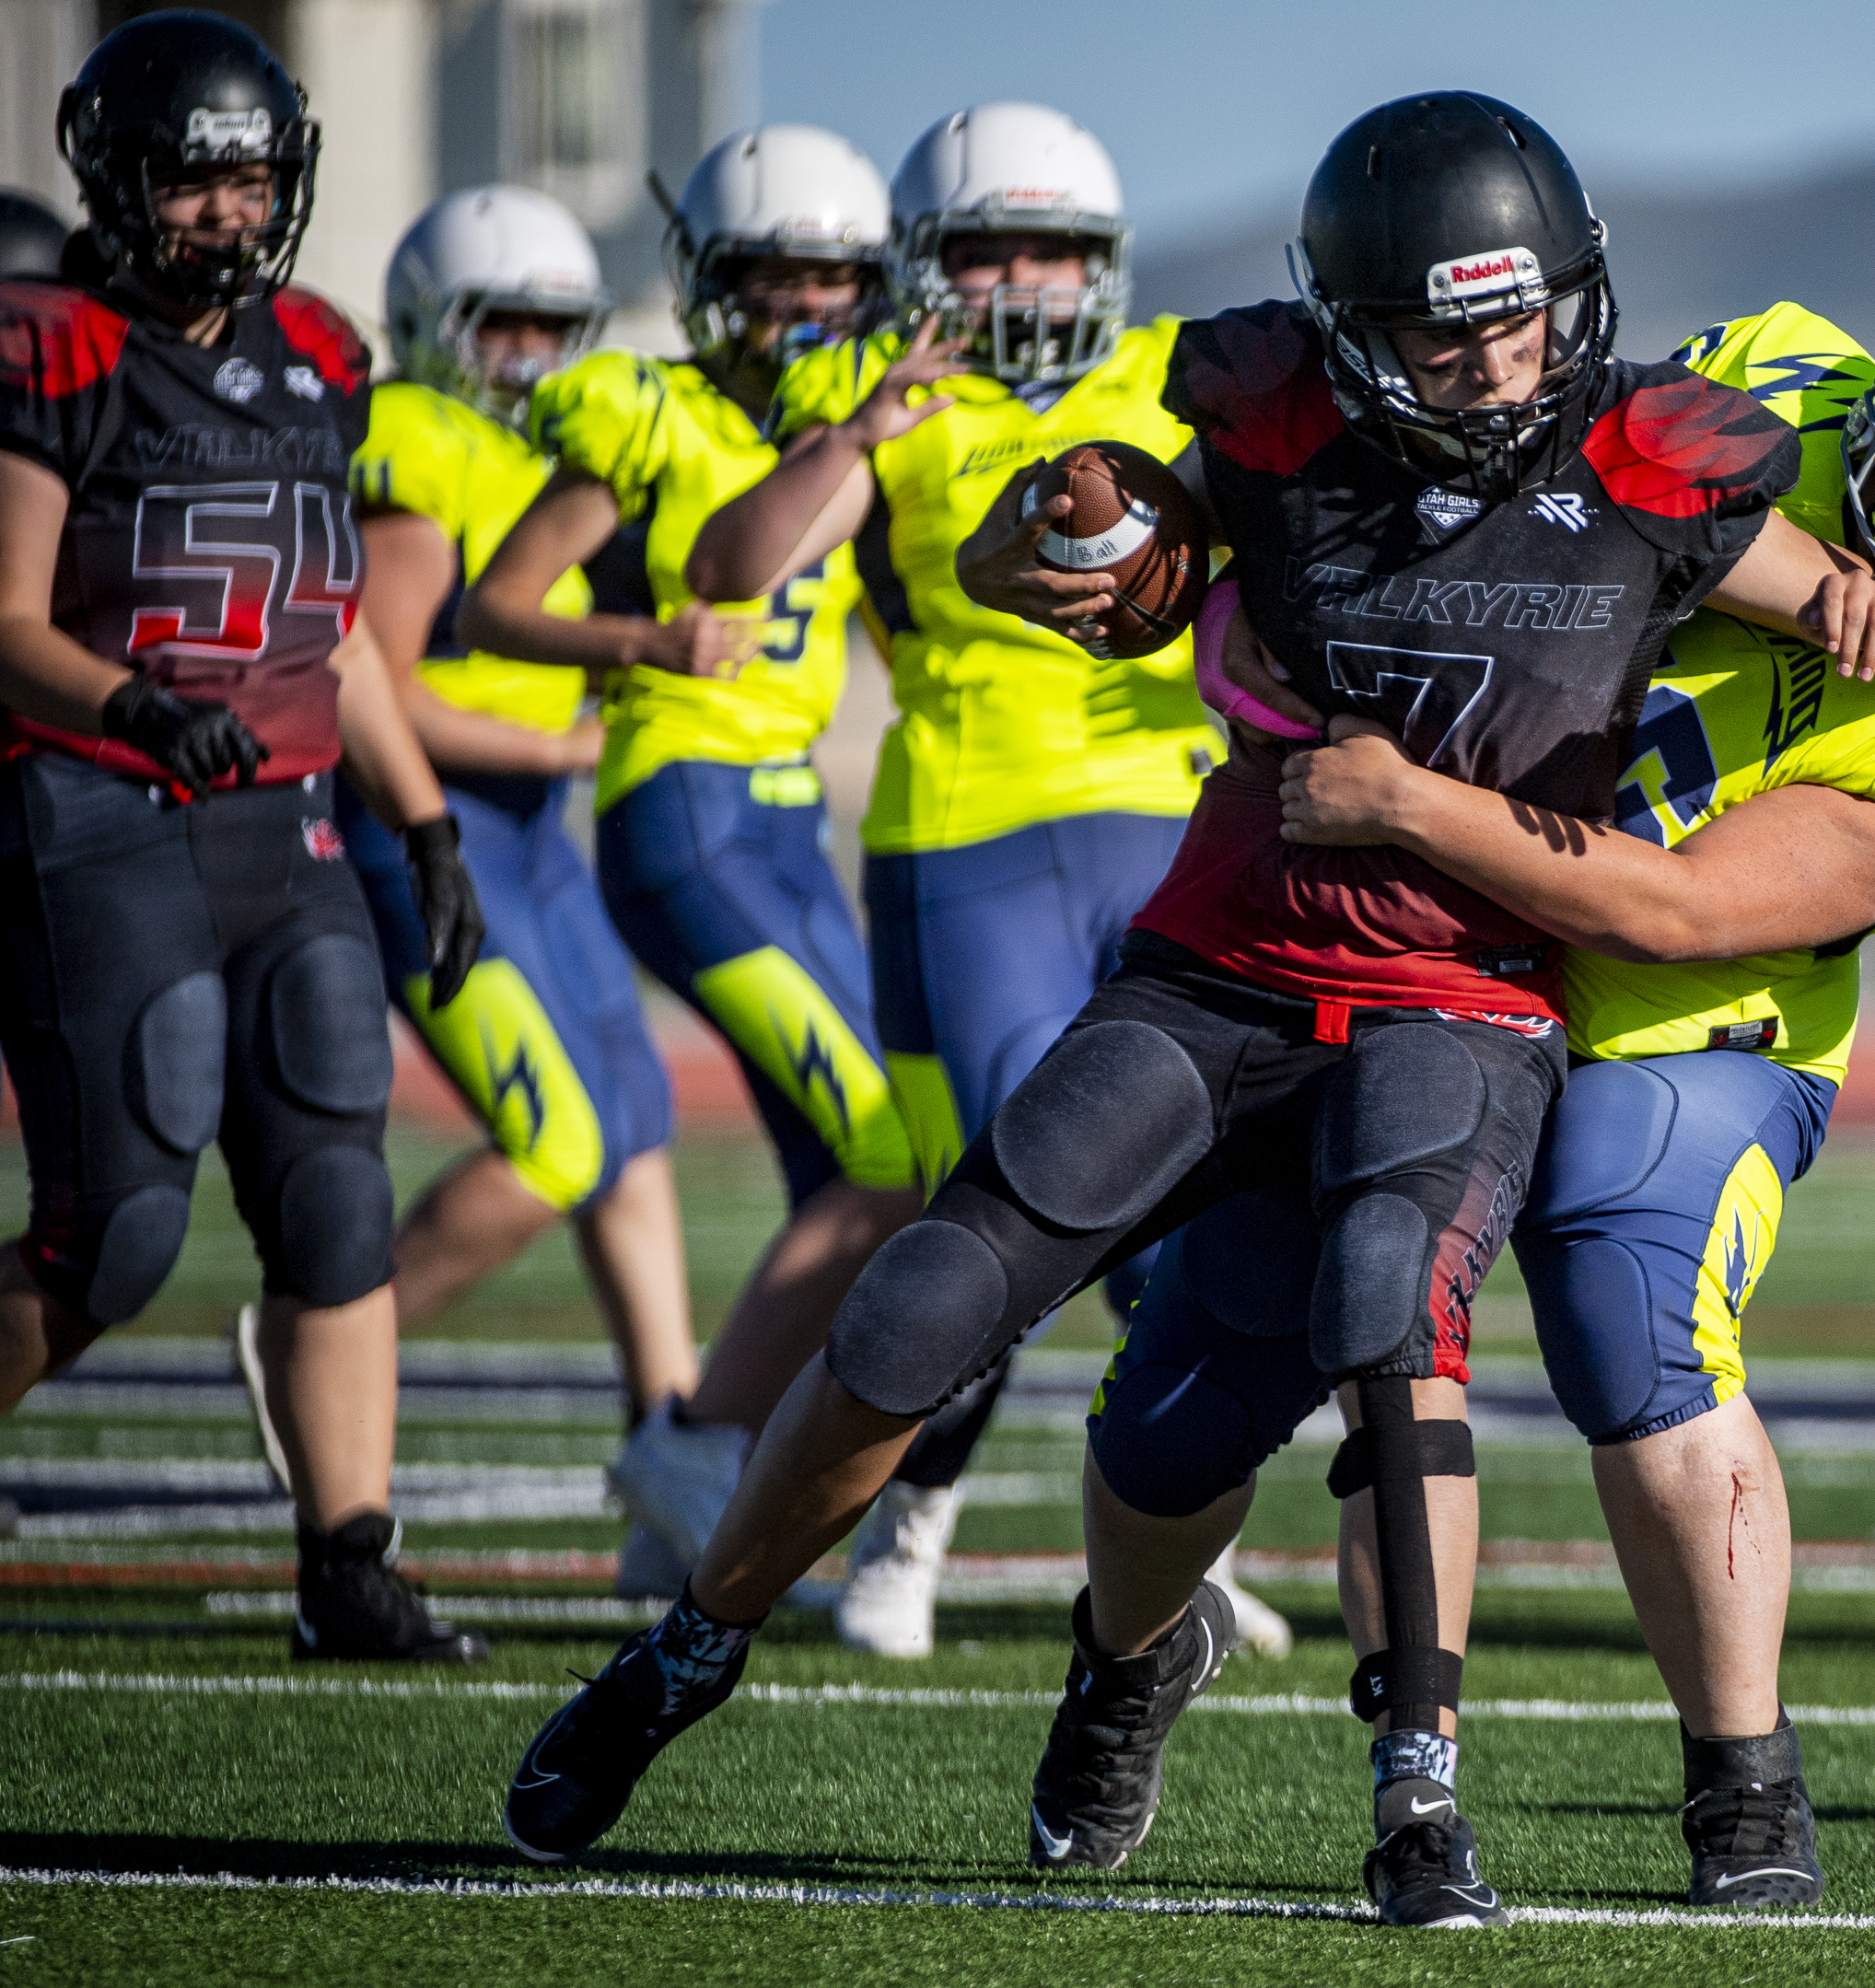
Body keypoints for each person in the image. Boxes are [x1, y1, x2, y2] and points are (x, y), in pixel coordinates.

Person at [501, 91, 1875, 1927]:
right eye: (1449, 329)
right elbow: (1072, 528)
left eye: (1527, 317)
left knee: (1381, 1311)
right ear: (1350, 330)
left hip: (1458, 995)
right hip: (1217, 967)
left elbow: (1867, 611)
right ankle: (692, 1651)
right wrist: (1059, 532)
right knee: (928, 1293)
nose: (1502, 365)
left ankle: (1417, 1786)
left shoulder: (1663, 457)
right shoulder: (1263, 411)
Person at [1072, 262, 1875, 1907]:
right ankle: (1123, 1664)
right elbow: (1505, 458)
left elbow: (1677, 911)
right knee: (1196, 1384)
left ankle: (1746, 1780)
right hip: (1412, 970)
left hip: (1680, 1029)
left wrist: (1406, 805)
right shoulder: (1774, 389)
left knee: (1627, 1293)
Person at [684, 101, 1283, 1660]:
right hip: (967, 839)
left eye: (1055, 248)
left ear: (1107, 263)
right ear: (926, 264)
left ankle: (1174, 1535)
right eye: (989, 246)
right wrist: (861, 430)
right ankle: (912, 1527)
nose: (1022, 277)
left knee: (1189, 1212)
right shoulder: (873, 389)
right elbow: (726, 572)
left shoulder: (1174, 373)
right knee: (1006, 1201)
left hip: (1172, 827)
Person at [0, 12, 485, 1658]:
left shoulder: (326, 357)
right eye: (192, 181)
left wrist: (424, 826)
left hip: (286, 838)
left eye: (251, 176)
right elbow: (2, 617)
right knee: (119, 1236)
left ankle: (351, 1565)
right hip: (98, 815)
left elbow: (330, 635)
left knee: (339, 1201)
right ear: (116, 177)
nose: (227, 211)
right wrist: (130, 705)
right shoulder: (50, 345)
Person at [456, 125, 924, 1582]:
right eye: (774, 280)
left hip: (788, 815)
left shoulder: (861, 419)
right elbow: (496, 607)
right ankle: (690, 1444)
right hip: (685, 810)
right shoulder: (646, 412)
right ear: (715, 283)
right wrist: (645, 639)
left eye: (830, 283)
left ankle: (710, 1513)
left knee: (851, 1170)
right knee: (891, 1157)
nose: (802, 311)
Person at [316, 184, 698, 1598]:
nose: (534, 353)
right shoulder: (421, 439)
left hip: (529, 830)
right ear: (436, 327)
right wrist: (566, 737)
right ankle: (333, 1337)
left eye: (555, 324)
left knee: (638, 1125)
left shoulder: (548, 450)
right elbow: (386, 682)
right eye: (506, 323)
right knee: (557, 1143)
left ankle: (675, 1451)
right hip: (433, 827)